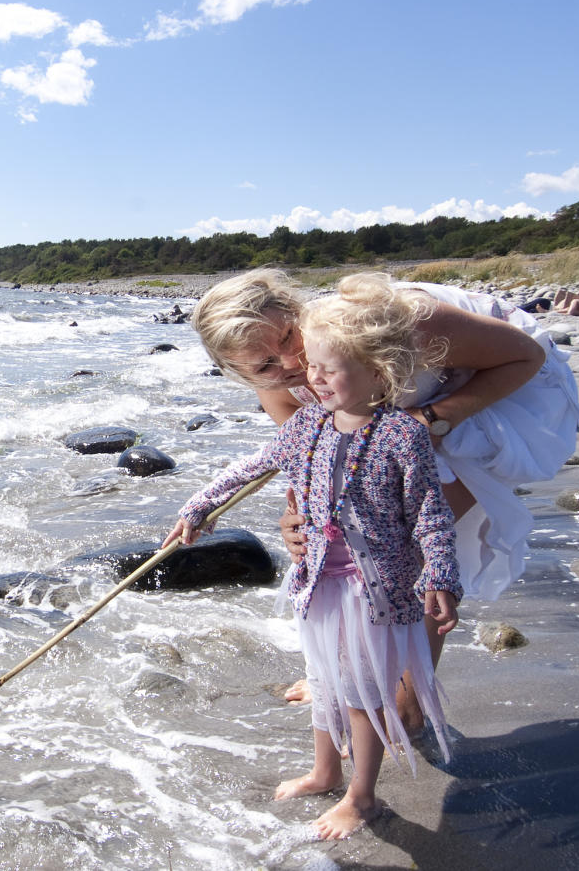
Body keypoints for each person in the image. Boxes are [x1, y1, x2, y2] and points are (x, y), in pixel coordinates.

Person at [189, 269, 579, 724]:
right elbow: (312, 456)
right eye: (264, 365)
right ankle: (357, 676)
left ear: (296, 309)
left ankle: (408, 701)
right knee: (338, 543)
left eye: (289, 335)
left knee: (402, 545)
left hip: (498, 383)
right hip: (394, 406)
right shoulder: (274, 381)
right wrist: (297, 523)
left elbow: (523, 357)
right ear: (241, 371)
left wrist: (425, 421)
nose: (292, 361)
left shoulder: (402, 320)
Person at [164, 276, 462, 840]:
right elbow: (251, 467)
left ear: (379, 371)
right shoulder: (306, 425)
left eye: (327, 367)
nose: (311, 377)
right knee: (325, 679)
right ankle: (326, 771)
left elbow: (431, 512)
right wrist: (200, 507)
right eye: (313, 368)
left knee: (362, 693)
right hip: (318, 580)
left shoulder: (402, 435)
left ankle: (363, 795)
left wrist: (441, 575)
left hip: (376, 590)